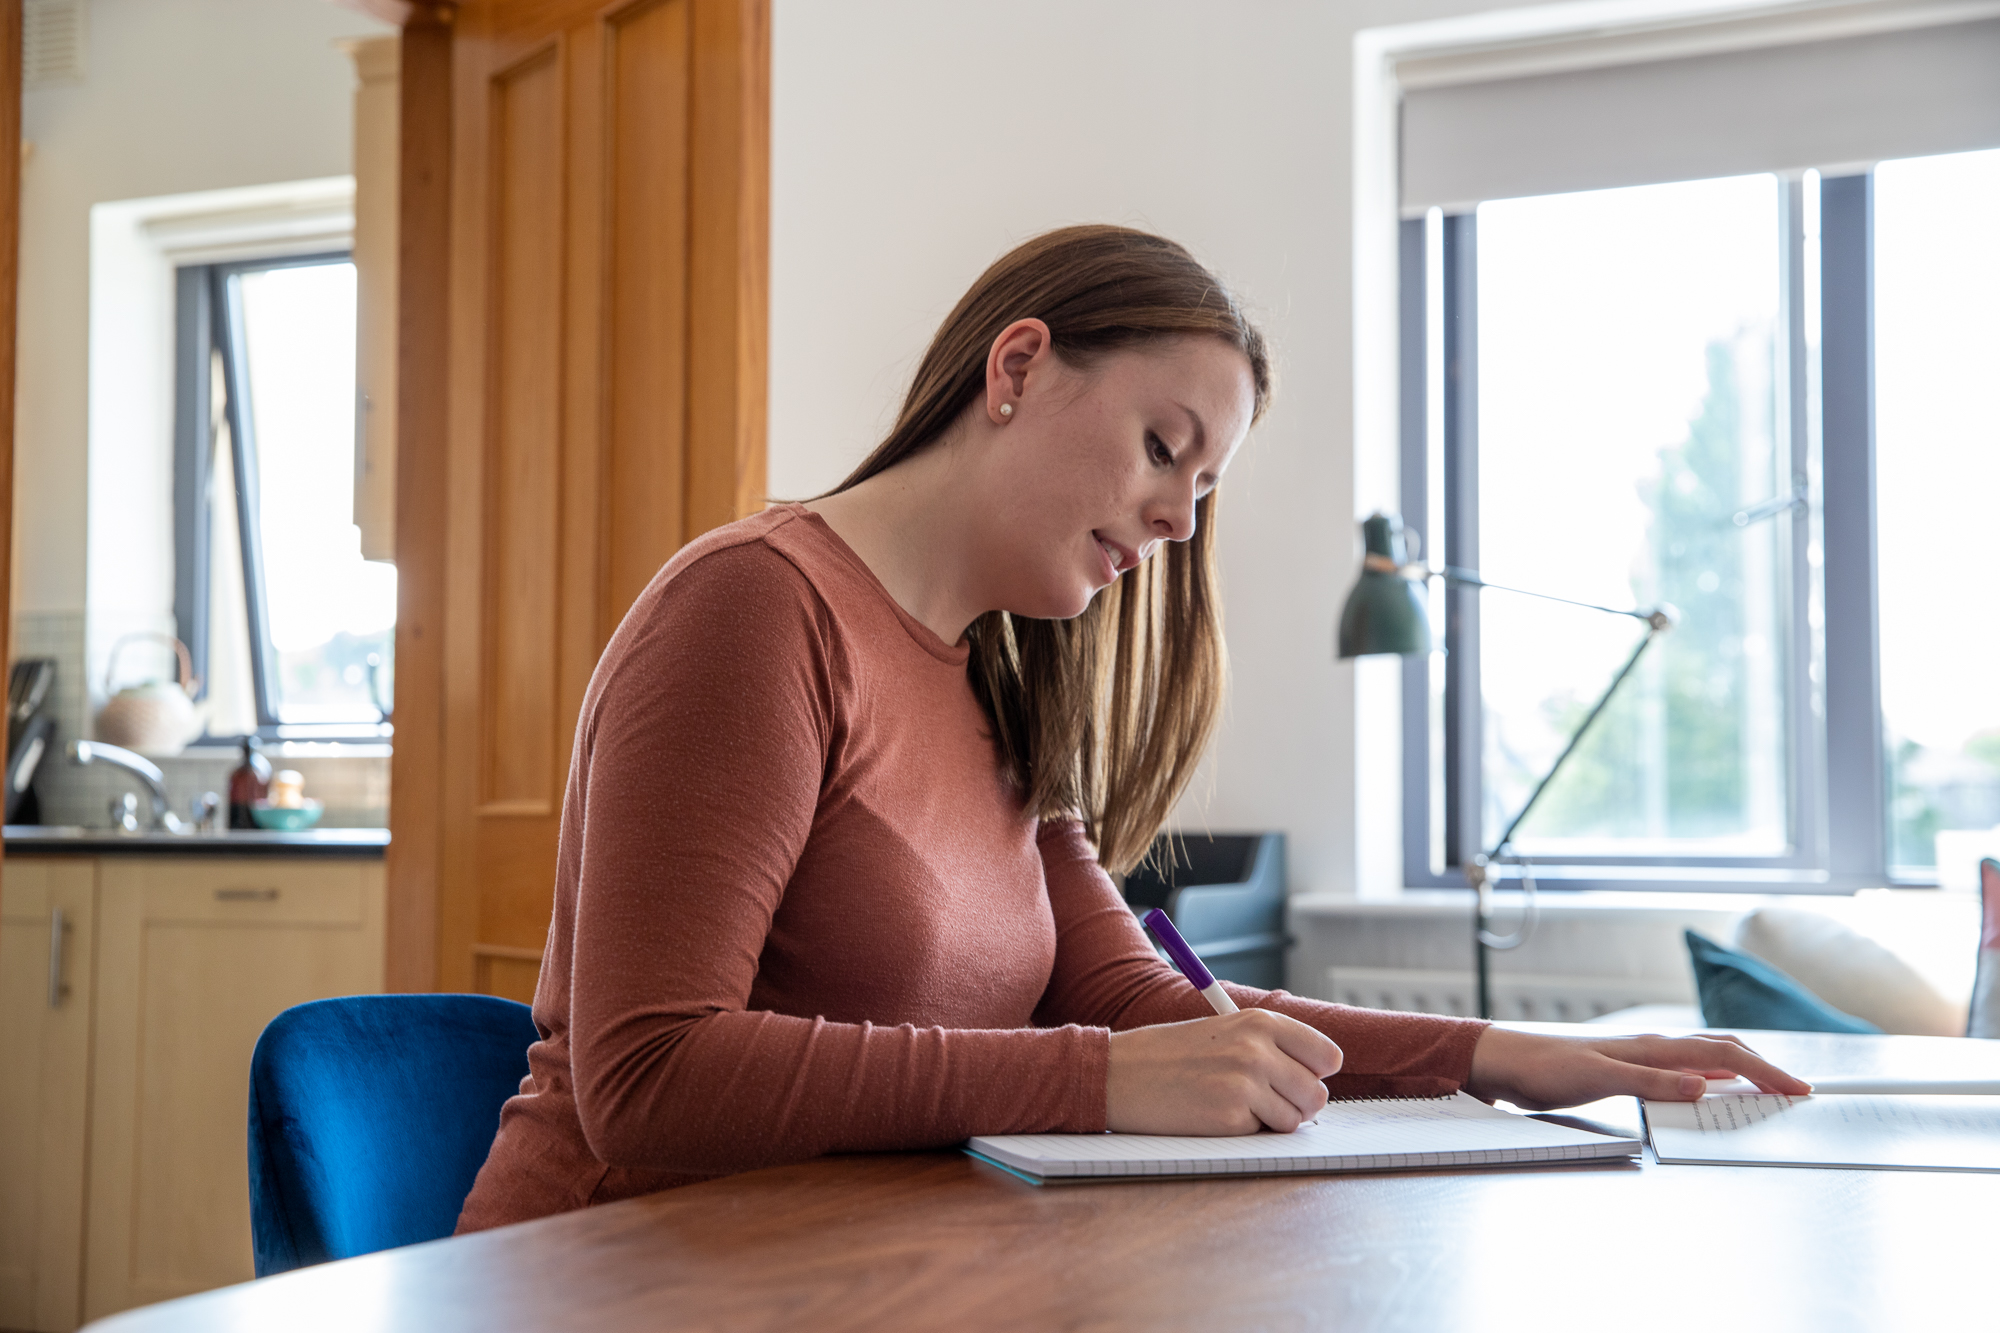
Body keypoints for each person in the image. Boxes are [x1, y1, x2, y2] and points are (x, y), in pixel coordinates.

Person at [457, 225, 1806, 1230]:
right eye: (1165, 449)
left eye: (1204, 490)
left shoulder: (1002, 676)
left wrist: (1501, 1058)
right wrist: (1101, 1081)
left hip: (850, 1268)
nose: (1178, 522)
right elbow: (654, 1072)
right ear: (1021, 366)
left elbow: (1145, 1010)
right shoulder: (755, 611)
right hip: (616, 1272)